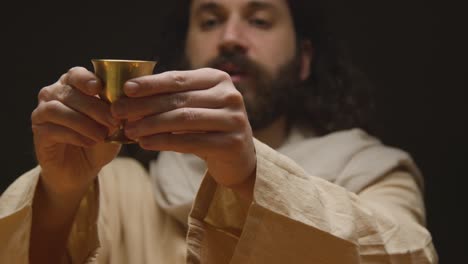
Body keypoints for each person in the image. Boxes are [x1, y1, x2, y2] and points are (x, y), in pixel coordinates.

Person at [0, 0, 438, 263]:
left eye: (260, 20)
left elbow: (410, 255)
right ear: (186, 54)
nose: (230, 38)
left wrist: (251, 175)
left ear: (304, 60)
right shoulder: (115, 189)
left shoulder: (372, 172)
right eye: (210, 21)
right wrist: (58, 192)